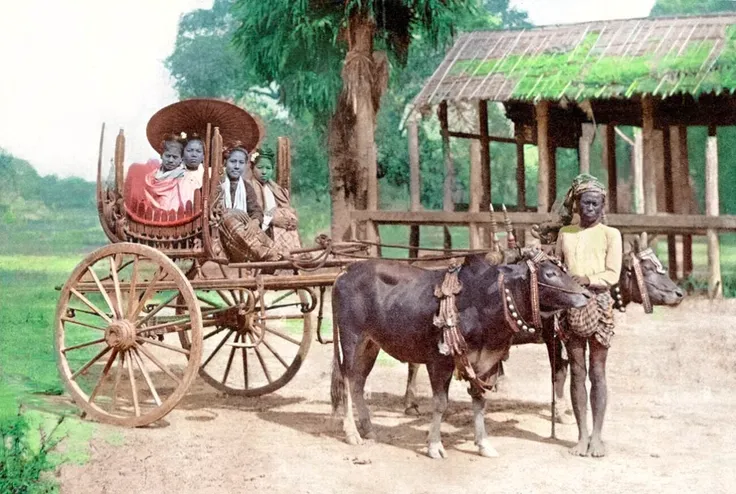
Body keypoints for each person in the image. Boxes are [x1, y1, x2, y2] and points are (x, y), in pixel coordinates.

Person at [554, 173, 622, 458]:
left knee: (597, 371)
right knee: (577, 371)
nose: (589, 209)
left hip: (599, 305)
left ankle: (597, 436)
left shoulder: (611, 235)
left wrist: (586, 279)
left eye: (595, 204)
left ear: (602, 206)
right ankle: (581, 435)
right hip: (570, 306)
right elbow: (557, 267)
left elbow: (612, 273)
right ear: (576, 205)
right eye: (585, 203)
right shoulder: (565, 234)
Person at [218, 144, 282, 262]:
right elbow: (210, 209)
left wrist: (255, 221)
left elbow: (256, 210)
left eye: (241, 163)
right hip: (222, 234)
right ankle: (268, 253)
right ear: (225, 162)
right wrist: (230, 212)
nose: (237, 166)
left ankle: (271, 252)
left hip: (242, 237)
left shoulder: (246, 187)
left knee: (250, 224)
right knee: (227, 218)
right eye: (233, 161)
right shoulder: (216, 184)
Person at [248, 147, 301, 253]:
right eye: (260, 167)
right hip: (260, 227)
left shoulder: (275, 189)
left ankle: (294, 252)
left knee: (285, 213)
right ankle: (284, 253)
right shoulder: (249, 187)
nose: (264, 172)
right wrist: (273, 221)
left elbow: (284, 207)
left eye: (268, 168)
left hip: (279, 229)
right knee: (276, 214)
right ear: (252, 168)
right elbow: (250, 213)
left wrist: (291, 219)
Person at [143, 136, 187, 212]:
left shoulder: (183, 178)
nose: (170, 160)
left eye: (175, 157)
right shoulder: (150, 177)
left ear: (181, 159)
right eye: (167, 156)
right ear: (161, 155)